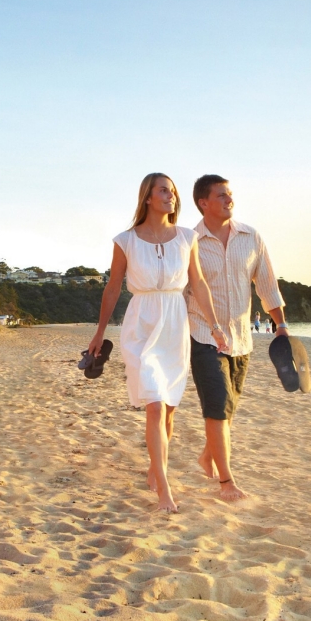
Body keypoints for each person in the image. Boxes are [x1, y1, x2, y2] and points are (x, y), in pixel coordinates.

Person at [88, 172, 227, 514]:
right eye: (164, 190)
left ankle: (155, 466)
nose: (171, 196)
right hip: (141, 324)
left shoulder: (185, 238)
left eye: (174, 192)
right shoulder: (126, 241)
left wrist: (215, 326)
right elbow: (113, 288)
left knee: (168, 410)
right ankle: (164, 488)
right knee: (153, 403)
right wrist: (99, 330)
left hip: (174, 325)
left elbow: (198, 283)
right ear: (148, 197)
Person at [186, 174, 288, 502]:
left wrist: (281, 326)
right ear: (204, 202)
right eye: (222, 195)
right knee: (217, 404)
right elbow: (181, 290)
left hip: (241, 339)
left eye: (230, 194)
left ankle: (207, 455)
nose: (230, 200)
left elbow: (267, 285)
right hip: (203, 335)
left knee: (227, 409)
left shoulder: (251, 237)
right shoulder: (190, 241)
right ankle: (226, 481)